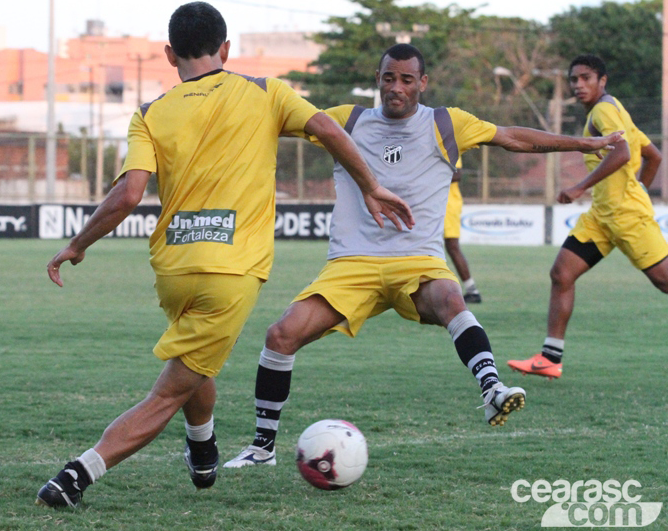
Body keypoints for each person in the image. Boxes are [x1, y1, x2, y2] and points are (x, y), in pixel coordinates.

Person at [34, 2, 412, 508]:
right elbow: (325, 127)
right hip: (230, 271)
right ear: (226, 49)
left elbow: (127, 195)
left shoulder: (149, 113)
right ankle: (76, 475)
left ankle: (203, 445)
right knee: (169, 391)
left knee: (198, 363)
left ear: (170, 55)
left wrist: (77, 245)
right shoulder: (263, 91)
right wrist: (370, 185)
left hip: (173, 269)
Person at [223, 44, 624, 469]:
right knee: (280, 335)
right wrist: (226, 84)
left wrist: (584, 142)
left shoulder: (446, 123)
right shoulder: (349, 120)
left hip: (418, 261)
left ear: (422, 83)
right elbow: (277, 117)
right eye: (388, 78)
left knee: (453, 301)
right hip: (351, 265)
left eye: (406, 80)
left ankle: (492, 390)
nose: (396, 88)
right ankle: (262, 448)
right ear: (378, 79)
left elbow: (513, 137)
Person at [508, 54, 666, 380]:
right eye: (574, 79)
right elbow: (653, 156)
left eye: (586, 78)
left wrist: (580, 187)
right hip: (602, 218)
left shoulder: (603, 111)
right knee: (562, 273)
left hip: (626, 218)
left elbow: (623, 154)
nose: (578, 85)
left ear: (602, 81)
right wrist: (633, 190)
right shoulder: (616, 108)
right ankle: (550, 357)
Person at [444, 158, 482, 303]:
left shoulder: (449, 142)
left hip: (448, 203)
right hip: (432, 202)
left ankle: (472, 291)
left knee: (452, 246)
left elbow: (457, 174)